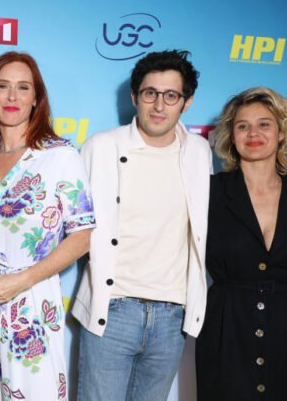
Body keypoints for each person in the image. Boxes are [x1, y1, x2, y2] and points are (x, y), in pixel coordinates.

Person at [0, 52, 95, 400]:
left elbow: (83, 236)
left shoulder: (60, 156)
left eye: (23, 87)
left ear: (36, 99)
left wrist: (22, 280)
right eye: (3, 86)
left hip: (30, 301)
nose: (12, 96)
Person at [71, 50, 211, 401]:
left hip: (171, 316)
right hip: (113, 309)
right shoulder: (101, 146)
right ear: (135, 97)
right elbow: (74, 224)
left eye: (171, 95)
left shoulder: (199, 152)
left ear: (187, 102)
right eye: (150, 93)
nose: (159, 105)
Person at [196, 87, 287, 400]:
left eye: (264, 124)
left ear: (282, 134)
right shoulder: (206, 193)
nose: (253, 133)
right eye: (243, 126)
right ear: (231, 135)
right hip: (227, 330)